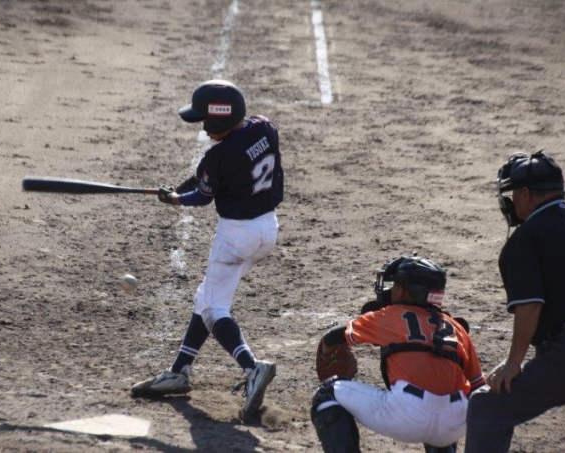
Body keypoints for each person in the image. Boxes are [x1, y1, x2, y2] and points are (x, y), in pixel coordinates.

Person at [130, 80, 284, 422]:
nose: (202, 127)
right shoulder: (264, 128)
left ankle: (252, 368)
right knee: (207, 296)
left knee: (215, 308)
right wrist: (181, 187)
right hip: (267, 229)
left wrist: (175, 199)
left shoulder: (218, 157)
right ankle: (180, 370)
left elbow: (202, 195)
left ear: (218, 119)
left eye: (205, 121)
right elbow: (208, 177)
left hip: (236, 237)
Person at [465, 151, 565, 452]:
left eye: (514, 194)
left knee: (488, 408)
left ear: (525, 193)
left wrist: (514, 362)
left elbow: (530, 305)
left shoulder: (525, 239)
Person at [311, 254, 486, 453]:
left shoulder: (389, 316)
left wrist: (327, 350)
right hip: (454, 424)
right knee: (445, 402)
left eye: (394, 285)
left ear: (402, 291)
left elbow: (334, 335)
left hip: (407, 416)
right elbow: (478, 387)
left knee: (326, 394)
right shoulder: (457, 328)